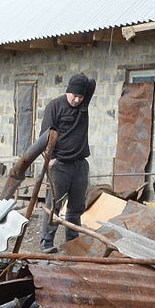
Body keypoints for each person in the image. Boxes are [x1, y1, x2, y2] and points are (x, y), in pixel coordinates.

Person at [38, 73, 97, 249]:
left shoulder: (83, 104)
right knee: (54, 205)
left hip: (80, 165)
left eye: (81, 96)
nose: (77, 100)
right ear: (68, 91)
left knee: (76, 207)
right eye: (75, 95)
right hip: (60, 165)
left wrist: (82, 84)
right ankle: (46, 243)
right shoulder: (55, 106)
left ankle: (72, 243)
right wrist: (51, 158)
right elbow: (45, 135)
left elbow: (92, 83)